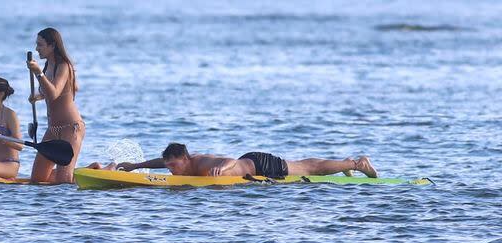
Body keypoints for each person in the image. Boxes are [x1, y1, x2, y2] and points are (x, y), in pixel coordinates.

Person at [117, 143, 378, 178]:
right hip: (249, 165)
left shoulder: (204, 163)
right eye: (169, 166)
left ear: (185, 159)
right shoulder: (179, 165)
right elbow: (158, 163)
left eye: (174, 165)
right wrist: (135, 167)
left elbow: (229, 159)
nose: (171, 170)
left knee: (309, 168)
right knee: (308, 166)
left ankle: (357, 163)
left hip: (260, 164)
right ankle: (345, 163)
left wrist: (224, 168)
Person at [27, 28, 85, 184]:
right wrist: (38, 96)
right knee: (37, 180)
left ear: (52, 46)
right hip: (52, 129)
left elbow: (54, 93)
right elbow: (56, 91)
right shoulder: (47, 66)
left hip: (70, 128)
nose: (36, 49)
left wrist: (38, 74)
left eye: (40, 45)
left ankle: (104, 170)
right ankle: (86, 170)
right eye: (36, 44)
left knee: (64, 181)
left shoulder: (63, 65)